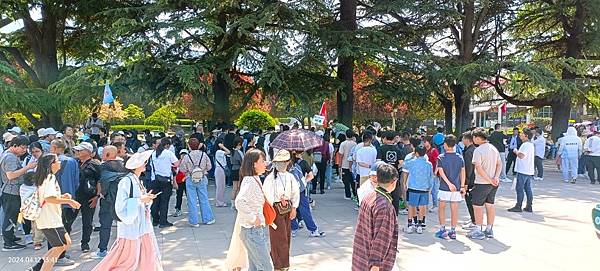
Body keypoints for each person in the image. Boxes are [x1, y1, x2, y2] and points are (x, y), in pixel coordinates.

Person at [91, 150, 163, 271]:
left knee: (145, 254)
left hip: (141, 224)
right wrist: (141, 199)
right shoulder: (126, 181)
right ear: (136, 166)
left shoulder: (136, 180)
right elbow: (121, 203)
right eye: (143, 162)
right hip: (131, 225)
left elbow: (138, 200)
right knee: (127, 261)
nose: (145, 164)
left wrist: (146, 199)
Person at [27, 154, 82, 271]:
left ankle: (37, 267)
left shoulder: (47, 177)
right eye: (57, 161)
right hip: (50, 219)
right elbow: (49, 198)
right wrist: (69, 201)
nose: (60, 163)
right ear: (51, 164)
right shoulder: (49, 178)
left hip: (50, 218)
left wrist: (62, 196)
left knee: (65, 244)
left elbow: (49, 197)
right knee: (60, 246)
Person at [226, 149, 274, 271]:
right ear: (254, 164)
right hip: (253, 231)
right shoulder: (250, 181)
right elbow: (239, 201)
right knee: (266, 267)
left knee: (256, 266)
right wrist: (253, 218)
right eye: (262, 161)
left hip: (255, 230)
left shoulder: (254, 178)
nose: (265, 163)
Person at [352, 163, 399, 271]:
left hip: (361, 254)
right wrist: (376, 264)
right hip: (374, 261)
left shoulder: (369, 196)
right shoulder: (385, 206)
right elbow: (381, 238)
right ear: (394, 182)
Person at [262, 150, 300, 271]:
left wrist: (294, 207)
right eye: (279, 162)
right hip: (275, 210)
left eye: (284, 162)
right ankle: (278, 264)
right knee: (278, 237)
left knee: (286, 236)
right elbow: (266, 197)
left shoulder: (290, 177)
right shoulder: (270, 178)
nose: (282, 164)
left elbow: (295, 193)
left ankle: (284, 263)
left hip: (287, 209)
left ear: (288, 162)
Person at [92, 146, 129, 259]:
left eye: (103, 153)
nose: (101, 154)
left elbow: (99, 182)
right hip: (123, 200)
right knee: (124, 226)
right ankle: (125, 250)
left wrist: (98, 195)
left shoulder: (102, 167)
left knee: (105, 226)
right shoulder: (125, 166)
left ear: (107, 154)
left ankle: (102, 250)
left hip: (107, 200)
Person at [48, 139, 79, 265]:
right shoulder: (72, 161)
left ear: (54, 148)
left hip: (51, 200)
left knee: (52, 229)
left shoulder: (48, 161)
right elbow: (76, 181)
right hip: (67, 199)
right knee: (65, 228)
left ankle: (54, 255)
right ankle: (60, 256)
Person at [1, 136, 35, 251]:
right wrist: (27, 168)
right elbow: (10, 175)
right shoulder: (10, 157)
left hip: (11, 191)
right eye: (22, 148)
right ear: (14, 146)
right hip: (11, 192)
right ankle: (8, 243)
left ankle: (10, 237)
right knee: (10, 217)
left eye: (26, 148)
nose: (24, 150)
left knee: (12, 216)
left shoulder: (9, 155)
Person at [467, 128, 502, 240]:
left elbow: (478, 167)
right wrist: (495, 177)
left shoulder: (478, 150)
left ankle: (478, 230)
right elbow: (499, 164)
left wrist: (489, 179)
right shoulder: (493, 148)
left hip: (482, 182)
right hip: (494, 183)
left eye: (473, 137)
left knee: (477, 207)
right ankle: (489, 229)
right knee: (490, 205)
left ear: (477, 138)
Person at [435, 135, 465, 240]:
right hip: (456, 187)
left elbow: (440, 171)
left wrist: (448, 184)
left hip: (444, 187)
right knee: (454, 209)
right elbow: (463, 172)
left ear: (445, 145)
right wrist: (462, 186)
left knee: (442, 208)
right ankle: (453, 231)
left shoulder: (441, 157)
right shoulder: (460, 157)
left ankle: (443, 229)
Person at [180, 138, 215, 226]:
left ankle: (194, 221)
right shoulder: (204, 155)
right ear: (198, 145)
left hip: (190, 178)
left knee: (191, 200)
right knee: (204, 199)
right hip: (202, 178)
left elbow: (182, 169)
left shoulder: (187, 157)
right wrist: (203, 170)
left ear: (189, 146)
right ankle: (207, 219)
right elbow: (210, 166)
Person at [290, 150, 325, 238]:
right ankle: (313, 229)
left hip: (289, 190)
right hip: (301, 190)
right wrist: (304, 182)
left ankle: (293, 228)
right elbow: (311, 175)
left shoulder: (288, 164)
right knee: (305, 210)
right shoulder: (303, 163)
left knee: (290, 209)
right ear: (300, 153)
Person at [73, 142, 101, 252]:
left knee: (87, 221)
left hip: (89, 197)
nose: (78, 152)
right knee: (68, 220)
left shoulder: (95, 164)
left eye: (80, 150)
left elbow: (100, 180)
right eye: (77, 150)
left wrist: (97, 197)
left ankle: (85, 242)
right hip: (74, 196)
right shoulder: (74, 162)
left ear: (88, 152)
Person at [402, 145, 433, 234]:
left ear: (416, 153)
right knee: (422, 206)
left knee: (412, 205)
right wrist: (429, 186)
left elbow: (404, 164)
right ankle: (420, 224)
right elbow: (431, 176)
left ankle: (410, 224)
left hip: (413, 187)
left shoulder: (412, 162)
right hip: (425, 187)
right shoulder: (429, 164)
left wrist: (411, 156)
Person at [149, 138, 179, 228]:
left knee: (155, 200)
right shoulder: (168, 153)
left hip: (155, 179)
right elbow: (176, 163)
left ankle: (155, 220)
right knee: (164, 201)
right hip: (166, 180)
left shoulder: (153, 154)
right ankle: (163, 221)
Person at [508, 128, 535, 213]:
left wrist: (516, 151)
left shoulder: (525, 145)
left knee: (519, 188)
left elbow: (521, 156)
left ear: (526, 136)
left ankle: (518, 206)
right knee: (528, 188)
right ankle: (529, 205)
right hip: (528, 170)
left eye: (522, 134)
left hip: (523, 169)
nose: (520, 135)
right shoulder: (530, 144)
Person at [377, 131, 402, 215]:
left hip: (383, 174)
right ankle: (395, 213)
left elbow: (378, 162)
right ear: (394, 139)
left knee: (383, 193)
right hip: (394, 174)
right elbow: (401, 162)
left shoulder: (381, 148)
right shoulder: (397, 149)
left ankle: (383, 212)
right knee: (395, 195)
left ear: (385, 138)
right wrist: (395, 168)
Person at [461, 131, 477, 230]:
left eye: (463, 138)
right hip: (474, 179)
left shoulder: (469, 152)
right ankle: (473, 219)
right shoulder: (473, 150)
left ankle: (474, 220)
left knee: (470, 200)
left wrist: (465, 182)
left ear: (467, 139)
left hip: (471, 180)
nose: (462, 140)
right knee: (471, 201)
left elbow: (468, 168)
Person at [339, 130, 358, 200]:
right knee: (353, 180)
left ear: (346, 135)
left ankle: (348, 195)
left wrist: (340, 165)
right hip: (353, 165)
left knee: (346, 181)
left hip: (345, 164)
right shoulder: (355, 144)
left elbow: (341, 155)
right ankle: (355, 193)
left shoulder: (343, 144)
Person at [423, 136, 440, 213]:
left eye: (425, 141)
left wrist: (435, 172)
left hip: (433, 173)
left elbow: (437, 162)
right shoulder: (425, 151)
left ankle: (435, 205)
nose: (424, 143)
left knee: (434, 190)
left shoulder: (434, 151)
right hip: (426, 173)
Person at [173, 149, 189, 217]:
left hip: (187, 181)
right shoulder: (177, 163)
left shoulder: (189, 162)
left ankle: (191, 209)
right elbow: (174, 172)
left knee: (189, 195)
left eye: (185, 154)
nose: (183, 156)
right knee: (179, 196)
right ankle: (178, 209)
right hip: (179, 181)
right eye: (182, 154)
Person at [230, 136, 244, 209]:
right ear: (239, 144)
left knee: (234, 188)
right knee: (239, 188)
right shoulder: (238, 152)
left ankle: (233, 203)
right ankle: (237, 203)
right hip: (238, 170)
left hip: (233, 169)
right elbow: (242, 161)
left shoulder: (232, 151)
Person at [215, 143, 230, 207]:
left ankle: (220, 201)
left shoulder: (220, 152)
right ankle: (219, 202)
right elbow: (228, 152)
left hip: (220, 169)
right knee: (220, 187)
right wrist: (222, 146)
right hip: (220, 169)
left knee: (222, 186)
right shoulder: (219, 151)